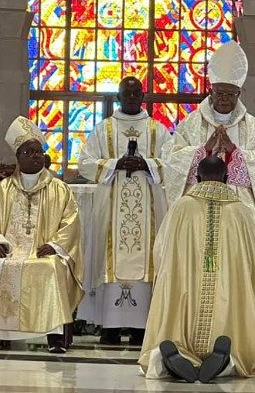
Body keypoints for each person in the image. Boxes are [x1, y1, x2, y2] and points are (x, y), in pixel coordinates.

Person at [138, 157, 255, 383]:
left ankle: (174, 357)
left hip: (186, 295)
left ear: (196, 177)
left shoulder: (181, 207)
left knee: (170, 339)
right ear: (226, 178)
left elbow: (162, 250)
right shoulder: (240, 210)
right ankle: (225, 361)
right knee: (237, 352)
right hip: (228, 300)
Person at [0, 117, 83, 353]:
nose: (35, 156)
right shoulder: (3, 189)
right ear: (18, 158)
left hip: (43, 251)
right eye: (28, 152)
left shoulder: (60, 190)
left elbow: (71, 224)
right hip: (10, 251)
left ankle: (55, 336)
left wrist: (55, 245)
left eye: (39, 151)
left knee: (51, 267)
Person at [77, 77, 169, 345]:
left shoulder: (156, 131)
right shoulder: (103, 130)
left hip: (149, 209)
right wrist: (116, 164)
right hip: (111, 210)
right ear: (118, 97)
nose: (131, 97)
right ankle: (110, 325)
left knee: (148, 260)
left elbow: (174, 163)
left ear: (143, 96)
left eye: (136, 93)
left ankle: (142, 326)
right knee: (110, 261)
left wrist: (146, 164)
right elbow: (85, 163)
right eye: (125, 94)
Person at [161, 41, 255, 235]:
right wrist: (203, 150)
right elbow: (171, 158)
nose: (224, 98)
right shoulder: (191, 123)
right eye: (219, 93)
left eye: (230, 94)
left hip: (238, 206)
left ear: (239, 94)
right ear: (210, 91)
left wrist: (234, 152)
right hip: (197, 201)